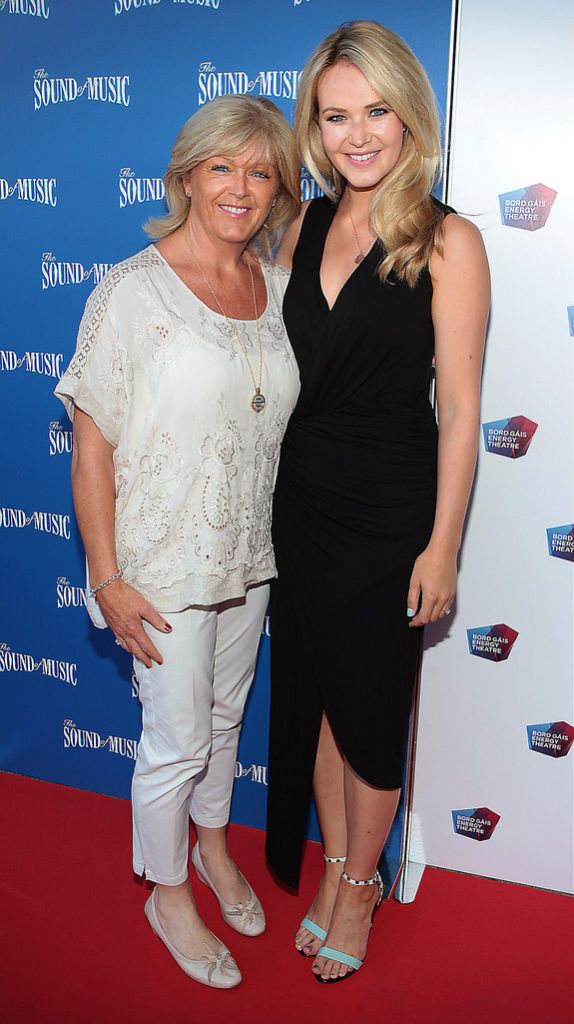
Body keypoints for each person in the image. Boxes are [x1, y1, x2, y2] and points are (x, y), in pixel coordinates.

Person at [55, 95, 300, 989]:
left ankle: (209, 846)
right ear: (187, 175)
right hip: (161, 565)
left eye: (260, 170)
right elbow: (93, 439)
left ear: (277, 191)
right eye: (221, 167)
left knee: (227, 721)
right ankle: (166, 893)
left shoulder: (272, 289)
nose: (240, 186)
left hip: (249, 553)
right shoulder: (132, 288)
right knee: (177, 738)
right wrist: (107, 575)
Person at [266, 21, 490, 983]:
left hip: (390, 513)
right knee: (316, 701)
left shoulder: (449, 239)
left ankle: (361, 887)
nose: (358, 135)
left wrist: (441, 547)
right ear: (316, 126)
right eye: (335, 115)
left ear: (410, 114)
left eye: (377, 112)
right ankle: (334, 869)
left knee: (368, 708)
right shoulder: (302, 224)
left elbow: (461, 413)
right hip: (300, 501)